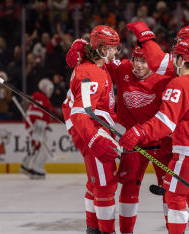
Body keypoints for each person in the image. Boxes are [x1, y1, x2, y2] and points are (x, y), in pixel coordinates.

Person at [127, 22, 189, 233]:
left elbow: (156, 62)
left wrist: (145, 36)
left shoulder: (182, 79)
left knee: (181, 195)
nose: (176, 45)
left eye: (180, 41)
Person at [66, 42, 173, 233]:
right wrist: (80, 49)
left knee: (171, 192)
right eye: (136, 60)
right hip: (132, 140)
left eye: (144, 61)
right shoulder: (123, 68)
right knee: (128, 186)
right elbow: (99, 58)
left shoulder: (166, 79)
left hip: (160, 142)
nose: (139, 65)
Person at [62, 25, 121, 234]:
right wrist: (95, 139)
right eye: (113, 48)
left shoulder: (94, 64)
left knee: (95, 182)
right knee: (105, 186)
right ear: (103, 49)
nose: (116, 53)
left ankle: (93, 228)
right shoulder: (92, 72)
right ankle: (106, 231)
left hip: (93, 129)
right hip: (93, 130)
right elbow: (80, 113)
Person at [20, 78, 55, 180]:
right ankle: (36, 168)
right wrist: (38, 125)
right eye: (49, 89)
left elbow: (43, 113)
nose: (51, 92)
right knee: (41, 148)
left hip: (37, 125)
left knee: (37, 146)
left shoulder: (39, 98)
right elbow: (36, 113)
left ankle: (26, 165)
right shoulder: (41, 98)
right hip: (37, 125)